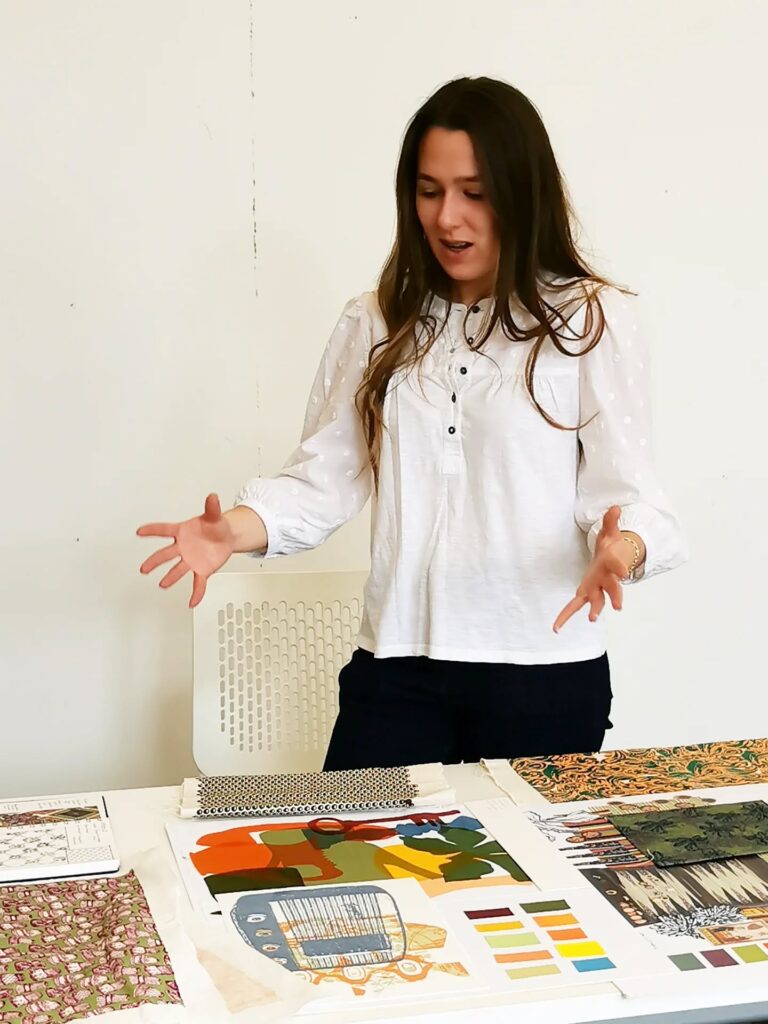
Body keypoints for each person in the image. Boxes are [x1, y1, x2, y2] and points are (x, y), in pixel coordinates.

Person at [137, 76, 687, 770]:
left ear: (523, 195)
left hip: (543, 673)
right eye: (430, 191)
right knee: (348, 840)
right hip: (396, 667)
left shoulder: (590, 319)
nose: (448, 218)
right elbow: (323, 481)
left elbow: (631, 496)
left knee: (524, 851)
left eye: (475, 192)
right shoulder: (377, 320)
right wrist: (233, 532)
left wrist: (622, 550)